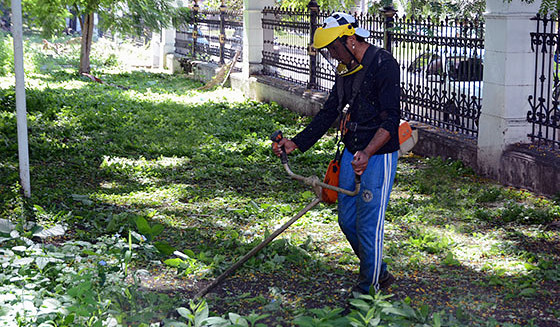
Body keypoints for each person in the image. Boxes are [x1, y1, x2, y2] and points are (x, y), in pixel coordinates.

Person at [273, 12, 400, 295]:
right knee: (346, 221)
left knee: (368, 226)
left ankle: (368, 291)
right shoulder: (346, 70)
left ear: (350, 39)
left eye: (333, 48)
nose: (332, 55)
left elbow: (391, 119)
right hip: (351, 151)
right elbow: (330, 110)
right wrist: (297, 142)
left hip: (378, 156)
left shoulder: (383, 65)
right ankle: (379, 270)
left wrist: (367, 152)